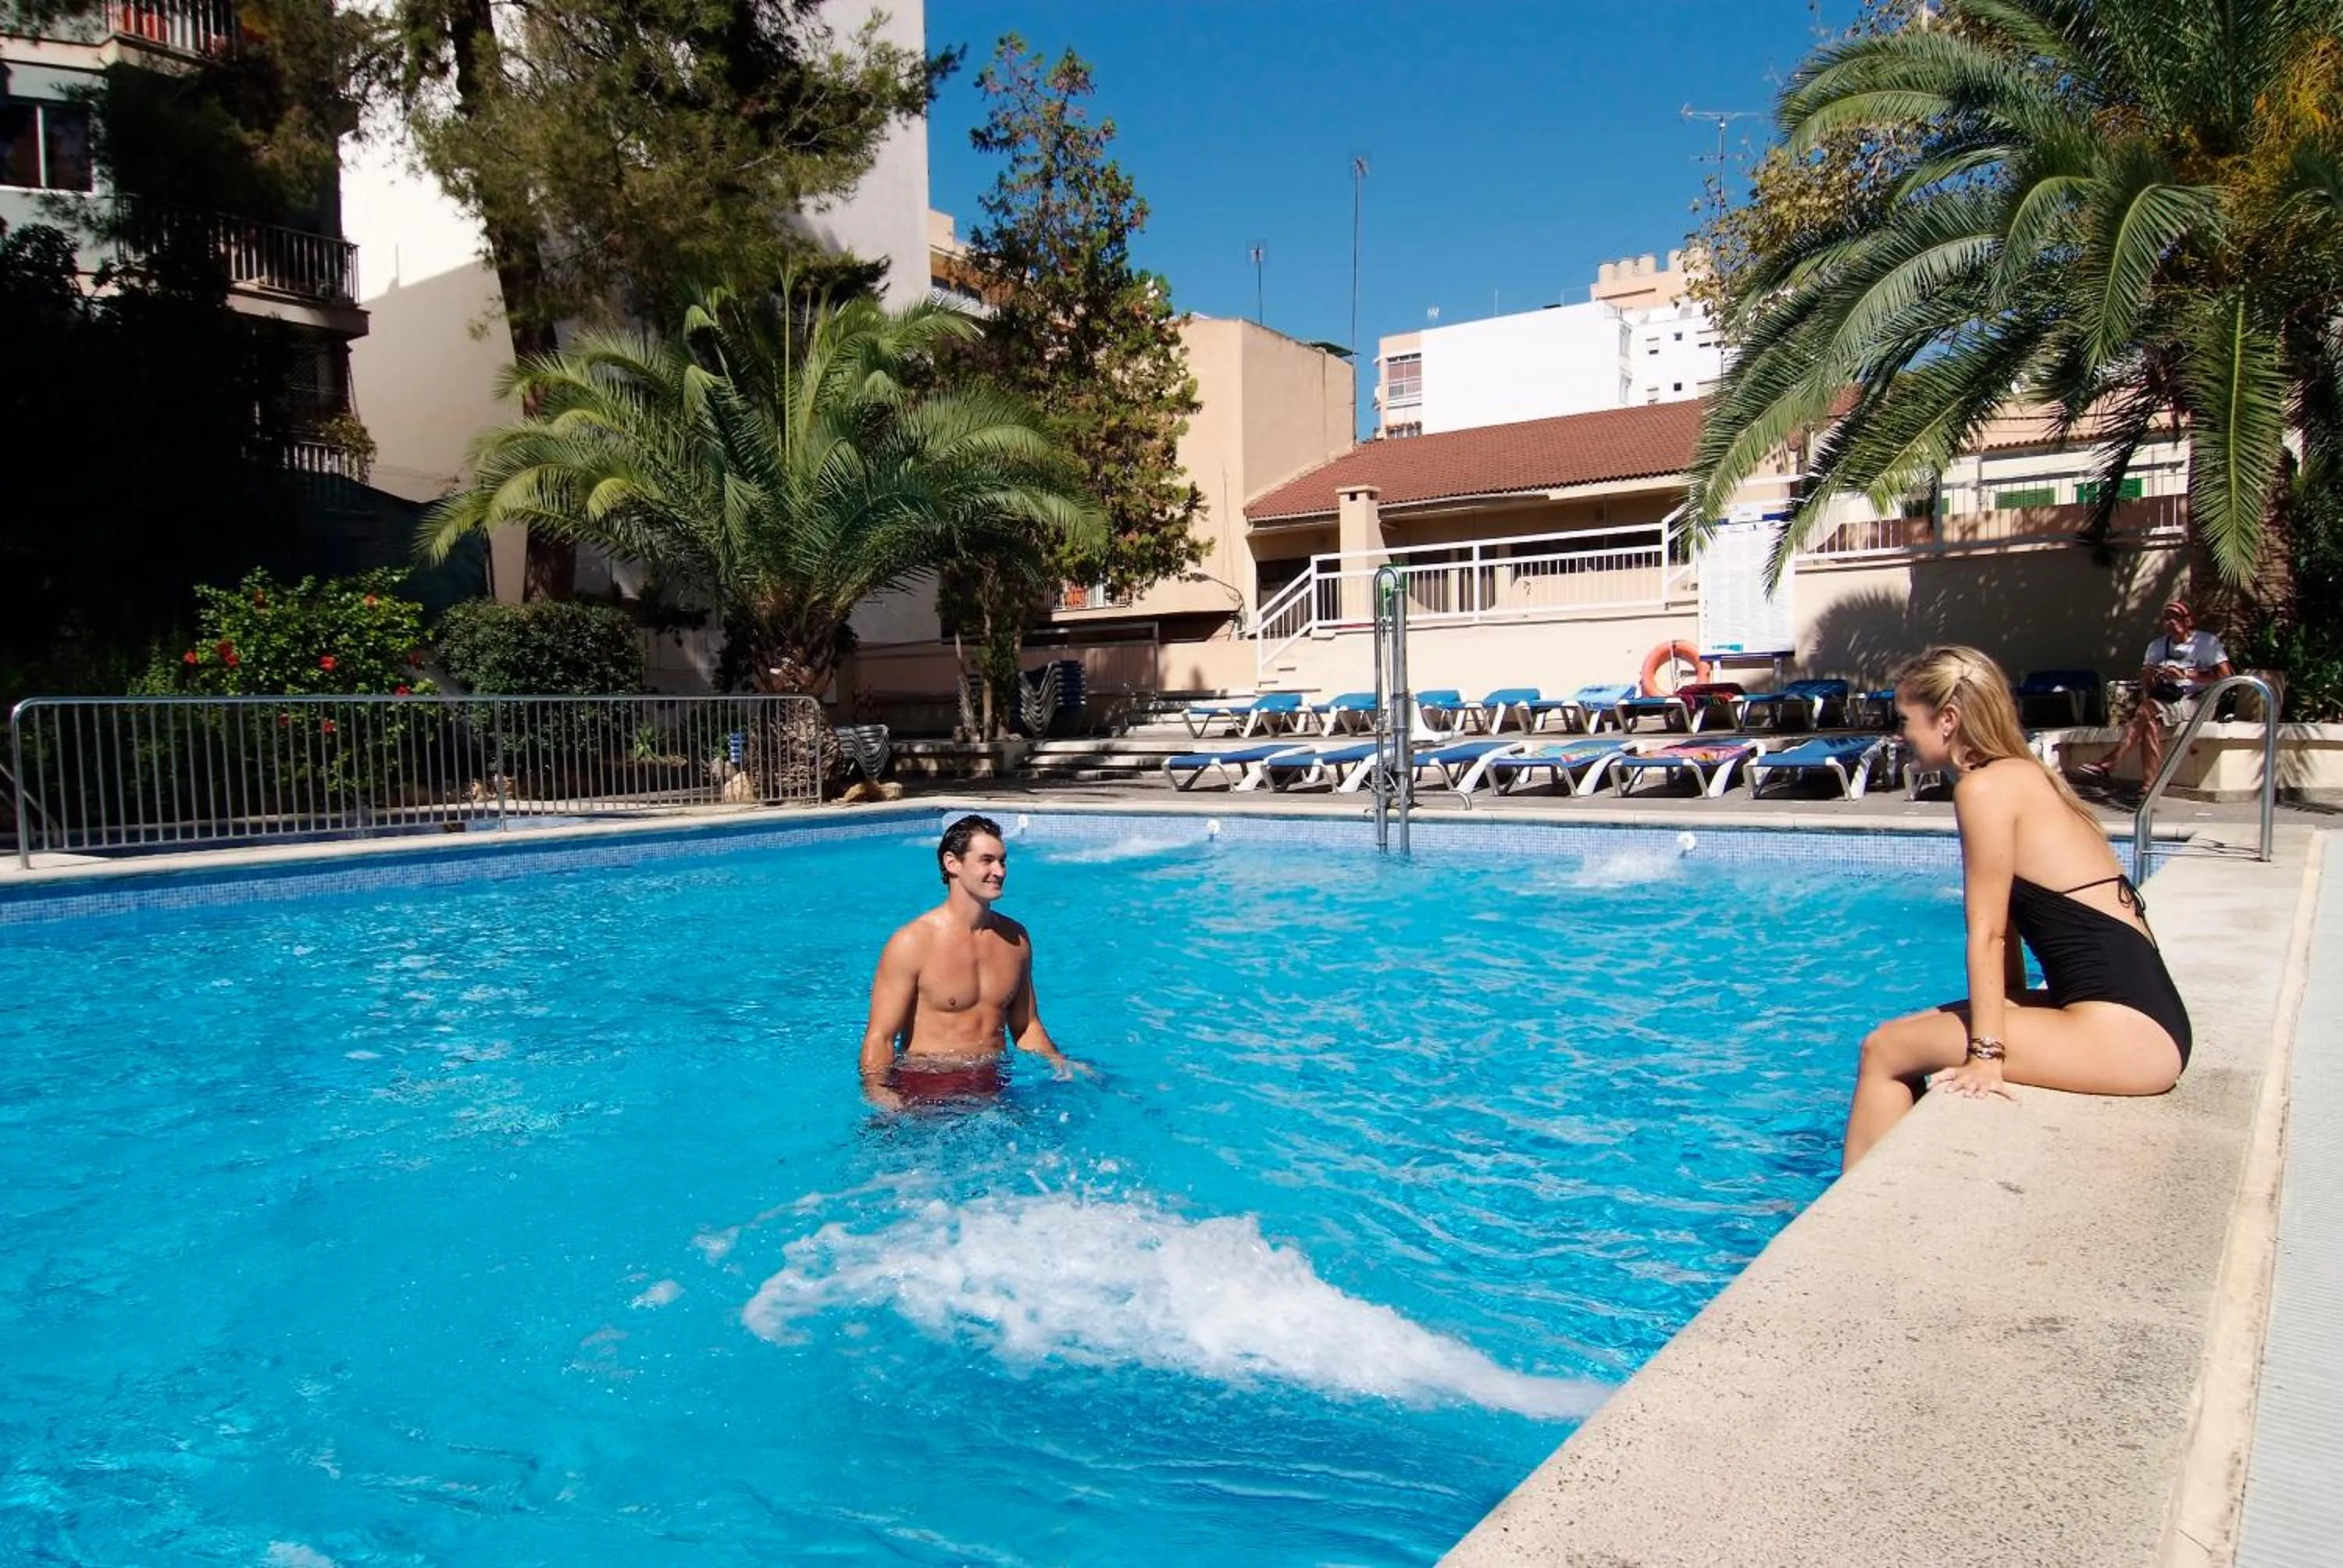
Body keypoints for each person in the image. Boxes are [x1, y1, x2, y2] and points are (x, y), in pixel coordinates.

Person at [1842, 647, 2191, 1172]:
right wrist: (2005, 1010)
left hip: (2130, 1038)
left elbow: (1986, 934)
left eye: (1906, 719)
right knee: (1913, 1030)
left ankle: (1852, 1236)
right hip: (2151, 1016)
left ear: (1949, 720)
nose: (1901, 734)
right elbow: (2007, 923)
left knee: (1884, 1050)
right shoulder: (2026, 775)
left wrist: (1987, 1055)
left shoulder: (1984, 789)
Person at [858, 814, 1089, 1110]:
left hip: (994, 1083)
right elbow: (881, 1038)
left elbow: (1025, 1025)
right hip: (927, 1088)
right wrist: (880, 1094)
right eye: (987, 860)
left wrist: (1061, 1064)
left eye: (1003, 861)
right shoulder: (912, 943)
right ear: (952, 863)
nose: (1000, 871)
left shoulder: (1015, 939)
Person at [2077, 600, 2233, 786]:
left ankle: (2111, 762)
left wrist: (2186, 674)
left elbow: (2226, 676)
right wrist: (2150, 676)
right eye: (2166, 620)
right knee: (2150, 722)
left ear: (2188, 621)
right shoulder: (2157, 647)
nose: (2171, 624)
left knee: (2146, 711)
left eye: (2176, 619)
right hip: (2167, 701)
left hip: (2198, 701)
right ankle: (2148, 787)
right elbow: (2148, 689)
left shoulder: (2206, 642)